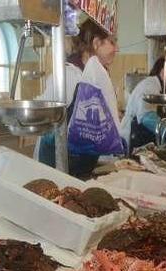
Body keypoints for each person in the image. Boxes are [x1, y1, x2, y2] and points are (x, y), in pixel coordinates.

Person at [35, 19, 118, 176]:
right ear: (96, 43)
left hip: (81, 165)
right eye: (112, 43)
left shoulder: (96, 77)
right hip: (58, 165)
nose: (116, 48)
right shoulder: (68, 75)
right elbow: (45, 120)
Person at [121, 57, 166, 149]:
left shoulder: (160, 87)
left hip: (145, 134)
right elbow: (147, 117)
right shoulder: (149, 85)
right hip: (135, 133)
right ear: (164, 73)